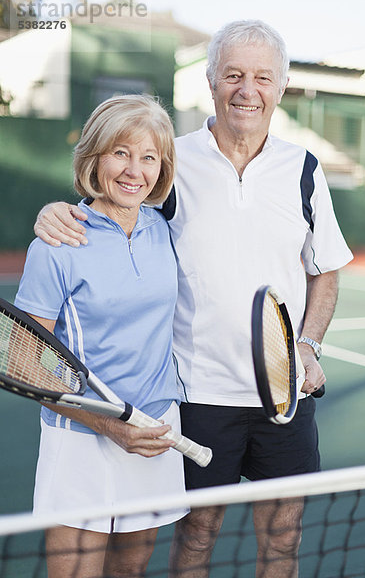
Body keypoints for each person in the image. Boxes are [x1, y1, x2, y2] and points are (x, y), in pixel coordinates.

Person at [33, 20, 353, 578]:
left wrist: (307, 345)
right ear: (211, 82)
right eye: (232, 75)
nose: (246, 90)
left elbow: (324, 270)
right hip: (196, 395)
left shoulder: (304, 169)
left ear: (280, 88)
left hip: (282, 399)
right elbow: (115, 201)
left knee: (286, 537)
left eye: (261, 78)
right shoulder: (170, 161)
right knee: (197, 537)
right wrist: (57, 210)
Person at [15, 94, 188, 578]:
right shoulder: (57, 244)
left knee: (131, 569)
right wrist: (112, 426)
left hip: (156, 428)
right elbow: (26, 361)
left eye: (149, 157)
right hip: (82, 439)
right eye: (121, 153)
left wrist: (139, 428)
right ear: (94, 157)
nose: (135, 170)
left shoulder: (166, 230)